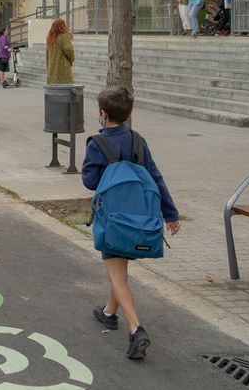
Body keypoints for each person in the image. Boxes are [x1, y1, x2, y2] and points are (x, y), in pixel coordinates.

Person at [82, 87, 181, 360]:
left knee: (116, 272)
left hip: (112, 218)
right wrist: (170, 214)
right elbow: (155, 177)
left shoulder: (97, 143)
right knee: (121, 268)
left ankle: (136, 328)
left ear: (103, 113)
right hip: (139, 218)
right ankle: (108, 312)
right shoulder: (138, 140)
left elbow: (89, 181)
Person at [45, 18, 75, 84]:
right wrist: (72, 59)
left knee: (54, 92)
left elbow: (47, 56)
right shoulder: (64, 36)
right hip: (63, 70)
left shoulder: (50, 38)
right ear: (63, 26)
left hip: (51, 71)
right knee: (65, 91)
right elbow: (69, 50)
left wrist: (49, 69)